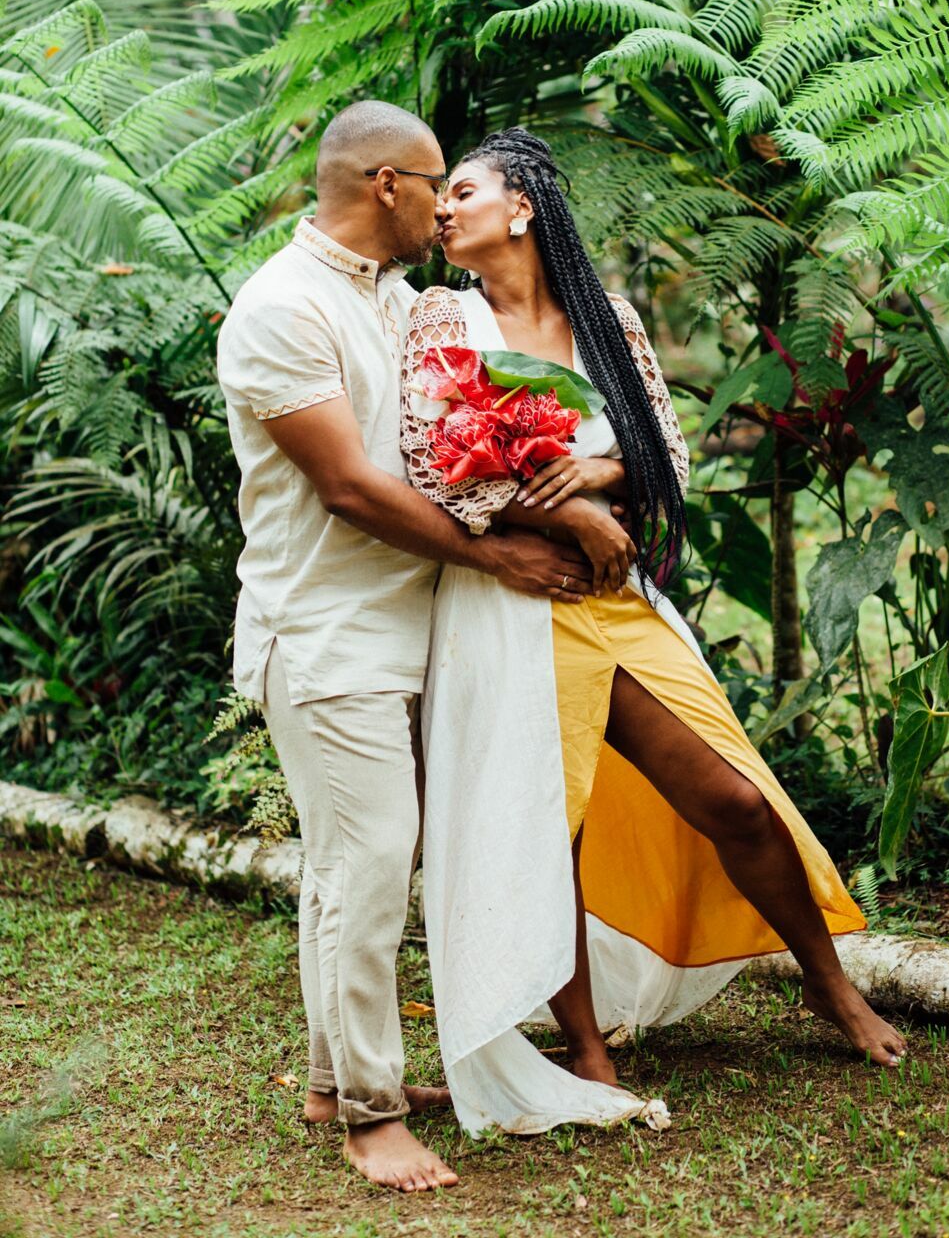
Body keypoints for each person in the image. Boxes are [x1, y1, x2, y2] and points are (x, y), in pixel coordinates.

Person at [399, 126, 907, 1137]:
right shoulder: (439, 316)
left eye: (463, 189)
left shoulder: (607, 320)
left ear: (522, 206)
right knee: (545, 829)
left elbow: (662, 455)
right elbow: (429, 466)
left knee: (734, 798)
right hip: (512, 603)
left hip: (617, 604)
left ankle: (825, 981)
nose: (442, 207)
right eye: (440, 195)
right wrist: (563, 514)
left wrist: (593, 475)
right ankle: (583, 1048)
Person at [216, 103, 595, 1191]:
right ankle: (372, 1117)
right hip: (325, 634)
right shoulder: (280, 309)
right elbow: (345, 487)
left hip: (402, 624)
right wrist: (497, 560)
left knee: (352, 868)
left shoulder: (393, 299)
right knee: (370, 865)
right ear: (386, 183)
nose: (444, 207)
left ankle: (334, 1077)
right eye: (436, 183)